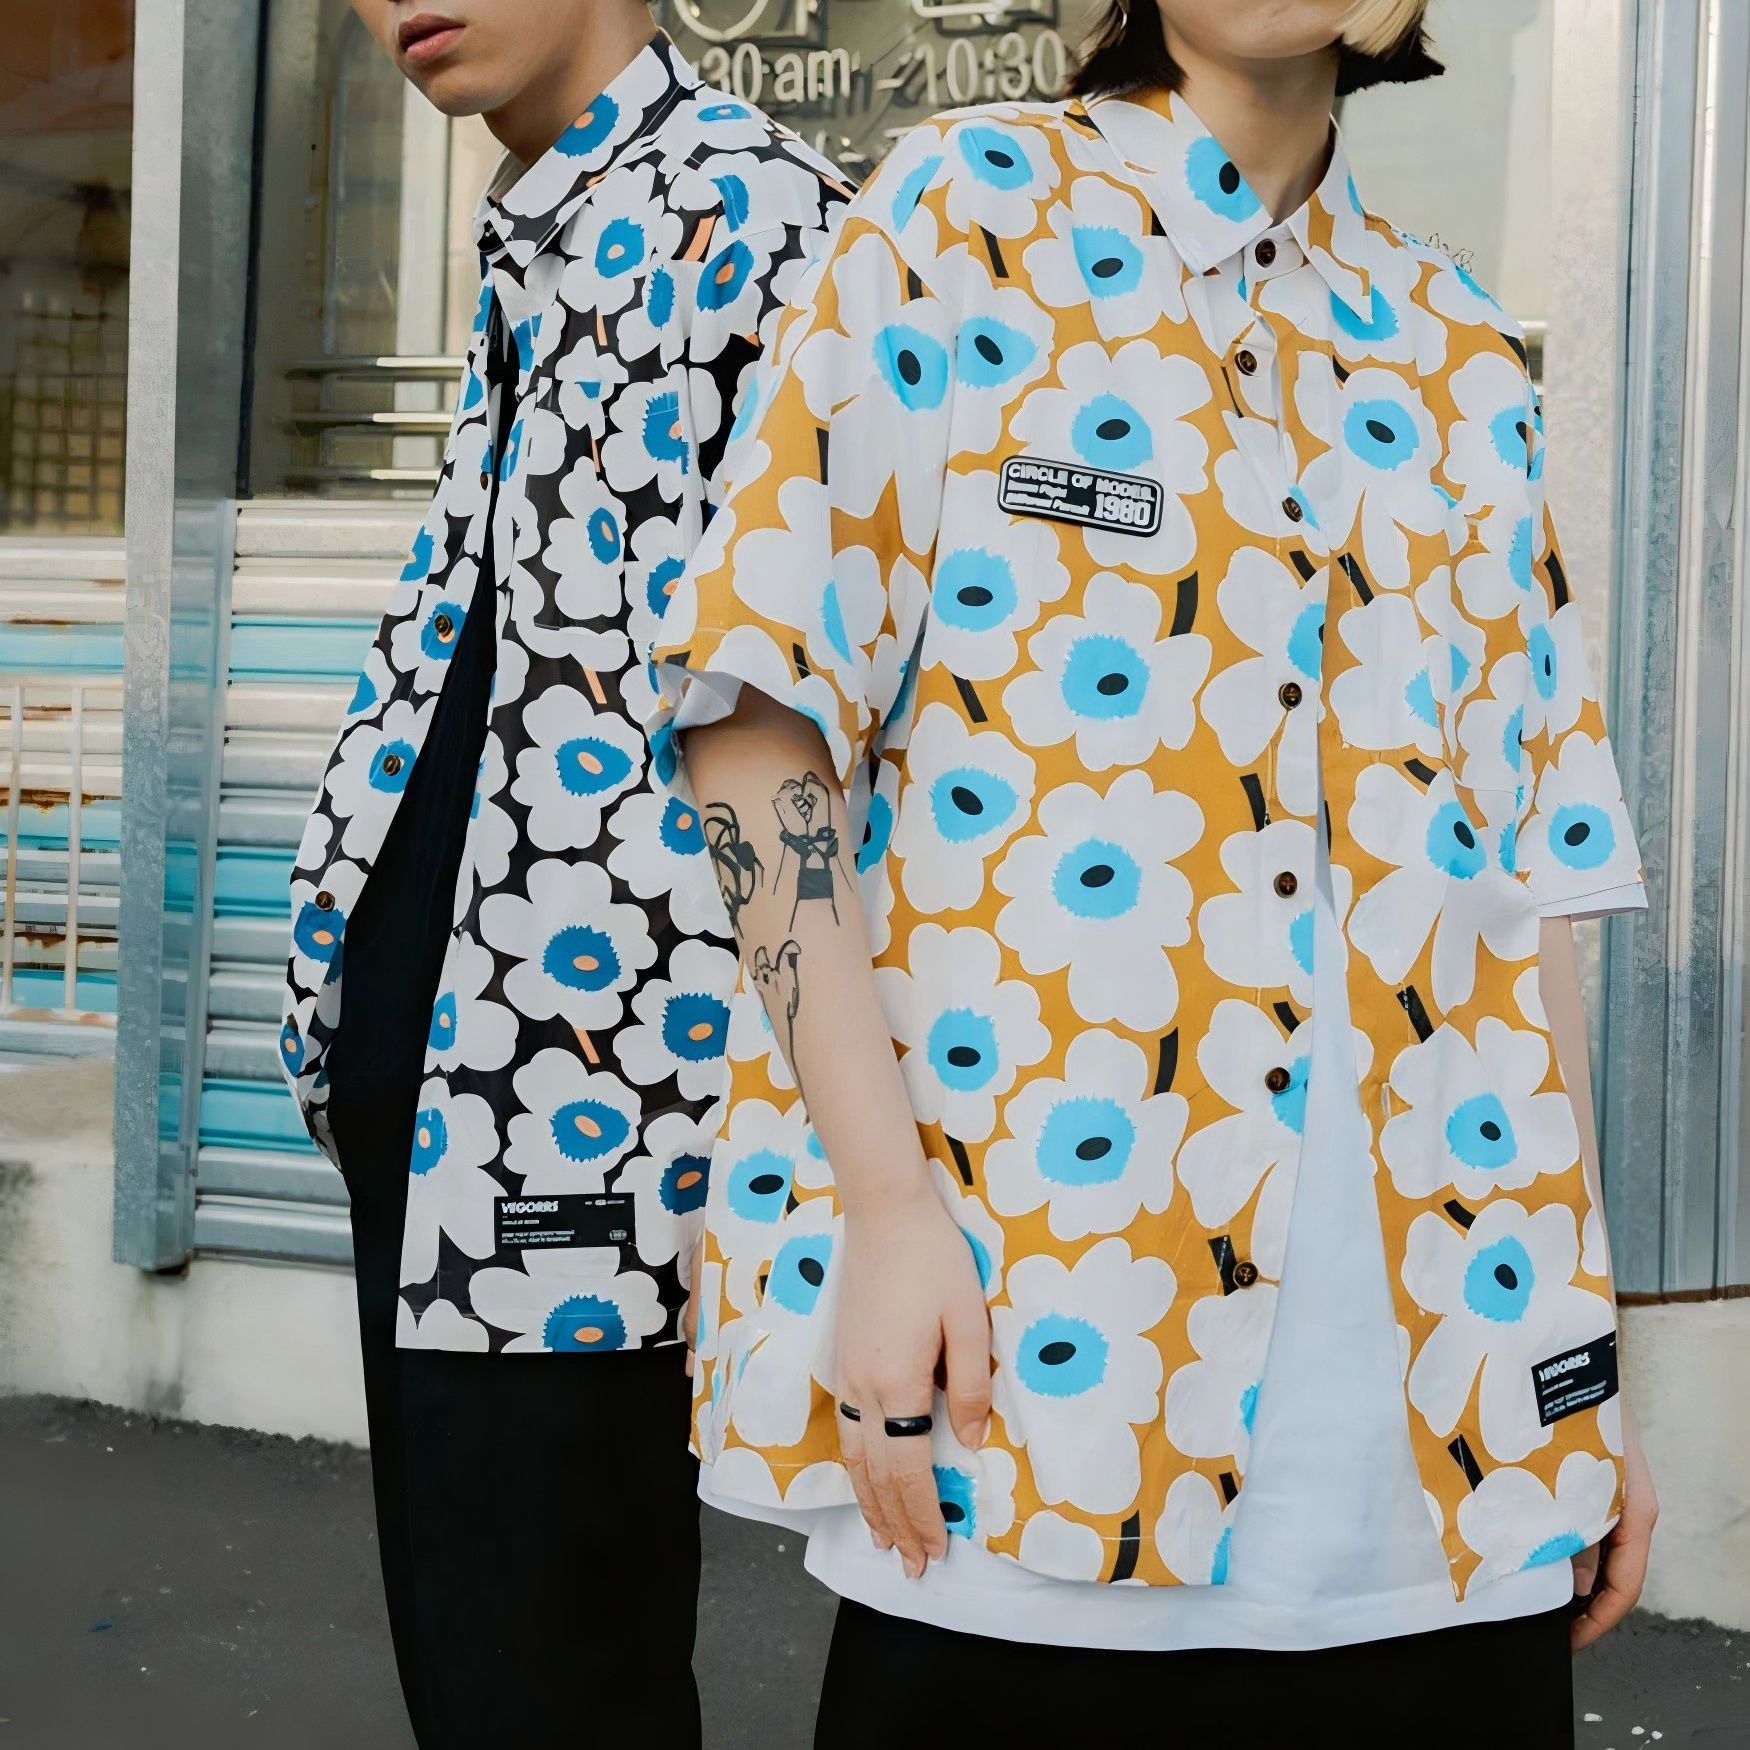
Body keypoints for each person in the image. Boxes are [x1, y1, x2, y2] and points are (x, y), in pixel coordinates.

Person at [649, 0, 1658, 1742]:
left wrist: (1579, 1373)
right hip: (1046, 1386)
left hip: (1449, 1454)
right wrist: (884, 1209)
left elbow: (1524, 891)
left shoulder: (1457, 343)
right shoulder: (962, 210)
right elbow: (755, 722)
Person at [277, 4, 847, 1743]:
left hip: (587, 1094)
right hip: (463, 1071)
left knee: (549, 1670)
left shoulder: (752, 209)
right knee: (486, 1654)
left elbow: (826, 700)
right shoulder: (547, 216)